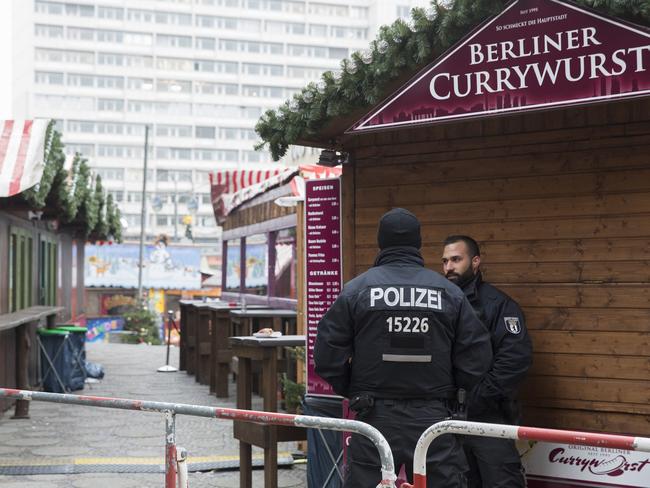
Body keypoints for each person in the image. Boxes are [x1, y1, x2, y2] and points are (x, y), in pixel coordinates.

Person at [314, 208, 493, 488]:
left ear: (381, 242)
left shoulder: (357, 291)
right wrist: (453, 390)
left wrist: (353, 389)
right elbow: (477, 355)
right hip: (433, 418)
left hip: (373, 416)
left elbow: (327, 354)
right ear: (417, 243)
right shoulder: (448, 293)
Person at [441, 235, 533, 488]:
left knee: (501, 481)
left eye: (456, 259)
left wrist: (477, 399)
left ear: (476, 261)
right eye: (445, 261)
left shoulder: (498, 305)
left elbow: (514, 360)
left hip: (489, 418)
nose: (449, 267)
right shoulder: (436, 303)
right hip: (445, 419)